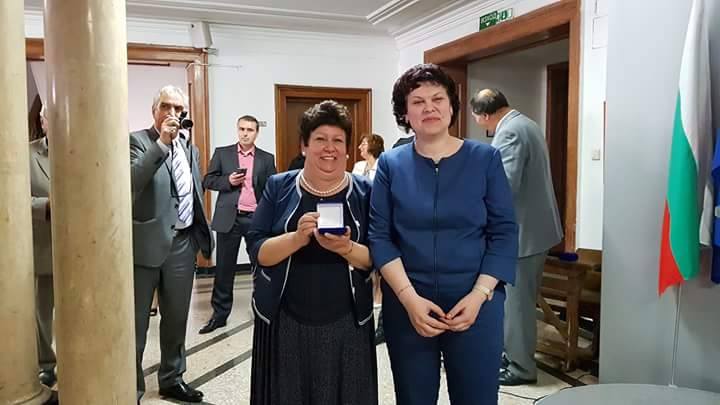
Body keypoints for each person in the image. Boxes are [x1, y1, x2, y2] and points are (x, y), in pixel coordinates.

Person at [369, 64, 518, 405]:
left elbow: (504, 232)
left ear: (452, 106)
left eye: (438, 99)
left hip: (476, 302)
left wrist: (480, 294)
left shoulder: (485, 159)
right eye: (418, 101)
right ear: (405, 113)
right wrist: (409, 299)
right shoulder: (391, 164)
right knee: (414, 398)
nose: (429, 108)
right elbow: (379, 236)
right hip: (408, 302)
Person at [247, 100, 377, 405]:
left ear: (347, 149)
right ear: (304, 146)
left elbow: (377, 257)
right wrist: (296, 238)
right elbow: (257, 250)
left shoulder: (364, 191)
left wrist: (346, 248)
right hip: (284, 320)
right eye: (320, 139)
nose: (329, 148)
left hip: (348, 322)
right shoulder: (278, 187)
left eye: (338, 140)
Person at [471, 88, 563, 386]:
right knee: (518, 301)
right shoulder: (527, 123)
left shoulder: (509, 132)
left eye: (477, 118)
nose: (479, 124)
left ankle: (521, 367)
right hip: (538, 229)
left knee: (517, 304)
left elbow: (504, 186)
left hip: (524, 235)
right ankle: (512, 353)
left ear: (485, 114)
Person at [130, 85, 213, 403]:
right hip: (146, 244)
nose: (173, 113)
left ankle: (172, 378)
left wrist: (201, 235)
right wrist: (162, 143)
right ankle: (132, 386)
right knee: (137, 321)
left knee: (177, 318)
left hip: (183, 243)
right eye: (166, 106)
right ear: (155, 110)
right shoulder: (137, 141)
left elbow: (193, 190)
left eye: (179, 108)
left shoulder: (190, 148)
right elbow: (132, 181)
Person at [200, 115, 277, 334]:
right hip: (229, 218)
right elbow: (208, 180)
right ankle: (219, 315)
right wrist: (228, 181)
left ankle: (262, 309)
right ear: (237, 130)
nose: (245, 133)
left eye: (250, 130)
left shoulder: (266, 158)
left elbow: (273, 189)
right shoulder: (222, 153)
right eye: (242, 129)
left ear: (256, 133)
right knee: (224, 269)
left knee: (261, 266)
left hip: (256, 219)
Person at [29, 105, 57, 388]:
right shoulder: (27, 154)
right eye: (52, 118)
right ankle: (46, 364)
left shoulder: (84, 149)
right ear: (43, 121)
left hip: (82, 248)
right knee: (43, 312)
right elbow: (13, 198)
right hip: (44, 245)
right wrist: (46, 206)